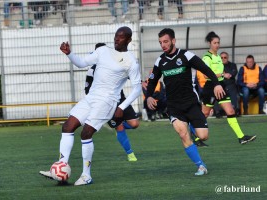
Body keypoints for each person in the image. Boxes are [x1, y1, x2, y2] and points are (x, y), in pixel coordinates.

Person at [39, 26, 142, 186]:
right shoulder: (103, 51)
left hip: (107, 101)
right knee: (67, 126)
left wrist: (122, 107)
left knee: (86, 133)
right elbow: (81, 63)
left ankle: (86, 176)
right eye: (116, 36)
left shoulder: (131, 62)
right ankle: (61, 167)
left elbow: (137, 89)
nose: (117, 39)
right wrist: (69, 53)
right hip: (91, 97)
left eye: (121, 37)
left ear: (128, 40)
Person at [146, 28, 225, 176]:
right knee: (183, 134)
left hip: (191, 103)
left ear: (173, 41)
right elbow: (152, 81)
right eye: (160, 42)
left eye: (166, 41)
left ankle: (194, 126)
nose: (163, 45)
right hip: (174, 106)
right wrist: (149, 95)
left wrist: (217, 84)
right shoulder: (160, 61)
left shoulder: (186, 55)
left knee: (203, 136)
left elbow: (206, 69)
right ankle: (201, 166)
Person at [85, 42, 138, 162]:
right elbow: (87, 89)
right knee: (119, 127)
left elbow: (129, 73)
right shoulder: (92, 71)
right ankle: (130, 154)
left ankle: (117, 124)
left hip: (122, 100)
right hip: (107, 102)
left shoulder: (116, 63)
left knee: (135, 124)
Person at [201, 32, 256, 144]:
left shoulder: (218, 57)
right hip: (210, 87)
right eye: (214, 43)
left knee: (230, 111)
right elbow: (206, 75)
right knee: (205, 114)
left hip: (221, 85)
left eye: (218, 42)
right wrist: (222, 75)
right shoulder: (207, 57)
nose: (217, 45)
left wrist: (222, 75)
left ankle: (241, 137)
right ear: (210, 43)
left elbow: (218, 72)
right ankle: (196, 136)